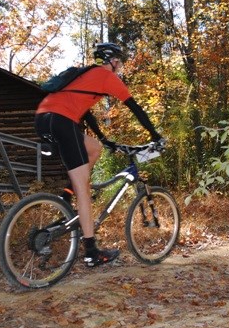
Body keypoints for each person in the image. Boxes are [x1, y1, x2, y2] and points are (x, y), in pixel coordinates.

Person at [34, 42, 163, 267]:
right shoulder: (107, 77)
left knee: (94, 148)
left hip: (44, 119)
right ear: (111, 61)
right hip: (62, 121)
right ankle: (92, 252)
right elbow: (136, 108)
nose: (120, 66)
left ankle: (66, 198)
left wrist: (104, 140)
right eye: (119, 61)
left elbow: (85, 114)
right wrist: (155, 135)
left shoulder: (86, 75)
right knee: (84, 191)